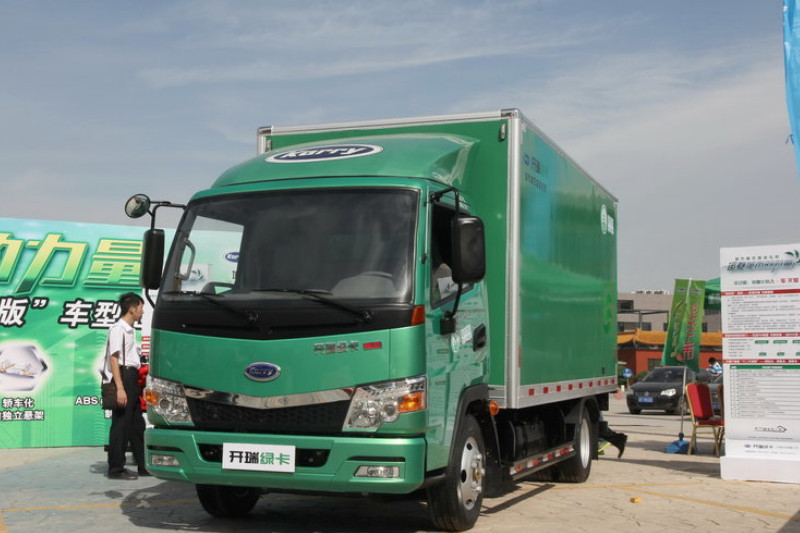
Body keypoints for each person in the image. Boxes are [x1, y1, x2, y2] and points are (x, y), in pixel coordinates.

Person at [104, 292, 149, 480]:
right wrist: (120, 388)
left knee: (137, 424)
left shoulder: (129, 330)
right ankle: (116, 468)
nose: (142, 312)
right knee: (121, 424)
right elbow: (114, 359)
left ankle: (144, 465)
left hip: (131, 377)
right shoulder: (118, 329)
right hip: (124, 377)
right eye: (141, 308)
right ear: (131, 309)